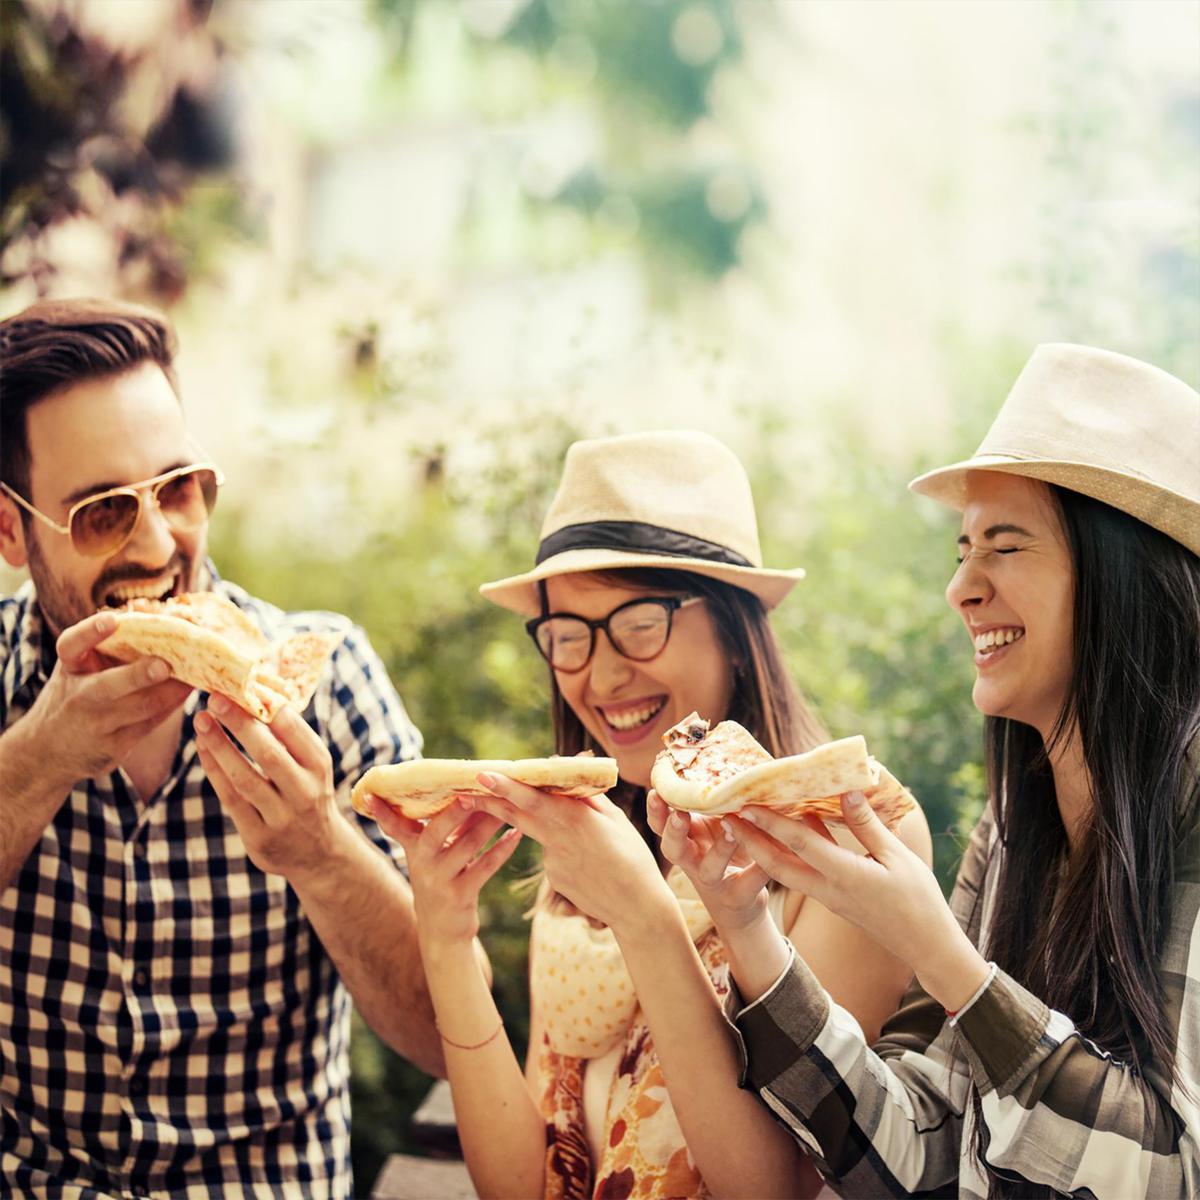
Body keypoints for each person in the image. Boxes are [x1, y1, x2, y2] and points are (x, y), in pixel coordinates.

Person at [659, 344, 1200, 1198]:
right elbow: (924, 1153)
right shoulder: (1014, 828)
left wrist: (941, 955)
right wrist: (750, 927)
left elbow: (1168, 1171)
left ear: (1121, 575)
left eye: (1006, 547)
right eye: (963, 549)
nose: (962, 589)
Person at [367, 430, 932, 1198]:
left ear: (736, 634)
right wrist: (448, 936)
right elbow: (522, 1186)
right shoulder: (583, 845)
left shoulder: (854, 836)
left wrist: (644, 917)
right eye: (567, 637)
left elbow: (772, 1189)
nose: (600, 675)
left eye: (639, 625)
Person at [0, 298, 442, 1200]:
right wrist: (38, 760)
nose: (160, 542)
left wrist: (322, 854)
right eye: (101, 513)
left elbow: (445, 1033)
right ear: (10, 531)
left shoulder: (329, 676)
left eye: (179, 487)